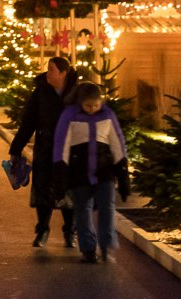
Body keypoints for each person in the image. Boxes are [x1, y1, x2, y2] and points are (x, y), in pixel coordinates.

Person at [53, 81, 131, 263]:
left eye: (97, 105)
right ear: (80, 102)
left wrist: (123, 173)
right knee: (83, 209)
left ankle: (105, 245)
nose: (93, 109)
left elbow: (117, 143)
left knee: (107, 207)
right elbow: (61, 146)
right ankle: (88, 249)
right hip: (78, 172)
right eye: (88, 105)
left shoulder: (108, 115)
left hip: (104, 170)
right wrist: (60, 176)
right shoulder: (69, 116)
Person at [10, 55, 78, 248]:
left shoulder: (76, 92)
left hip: (69, 151)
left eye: (51, 70)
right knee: (43, 192)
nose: (47, 73)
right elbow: (29, 120)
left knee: (67, 192)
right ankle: (42, 230)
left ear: (63, 73)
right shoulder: (41, 91)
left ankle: (69, 231)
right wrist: (16, 147)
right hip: (45, 148)